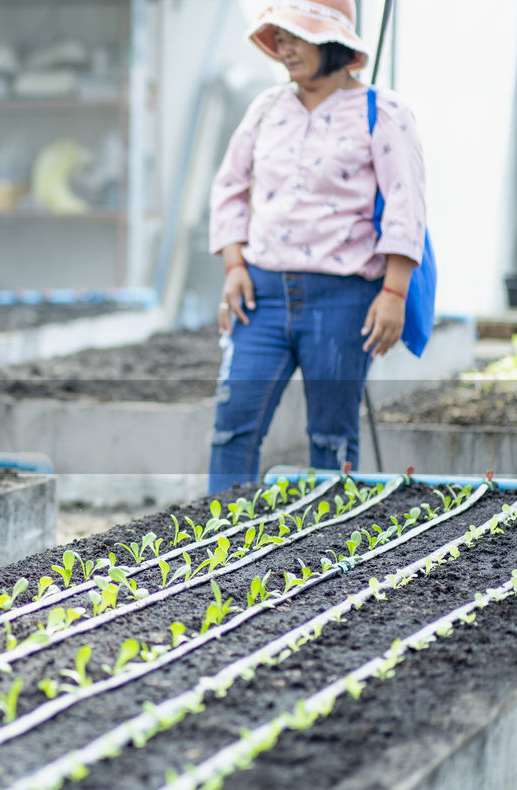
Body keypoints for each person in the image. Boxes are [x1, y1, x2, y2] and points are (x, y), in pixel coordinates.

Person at [207, 0, 426, 494]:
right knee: (232, 427)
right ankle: (216, 541)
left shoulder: (383, 112)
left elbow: (405, 203)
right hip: (259, 296)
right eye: (278, 37)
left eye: (296, 35)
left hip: (343, 297)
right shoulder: (265, 108)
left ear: (333, 43)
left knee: (332, 437)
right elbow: (229, 187)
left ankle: (328, 554)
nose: (285, 48)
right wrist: (233, 264)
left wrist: (394, 292)